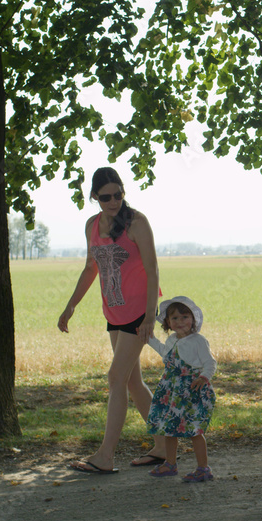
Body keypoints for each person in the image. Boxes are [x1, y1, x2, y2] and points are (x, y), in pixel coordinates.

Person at [59, 166, 165, 473]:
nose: (113, 201)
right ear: (94, 196)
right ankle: (162, 446)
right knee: (132, 382)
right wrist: (70, 306)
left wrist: (149, 316)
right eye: (106, 196)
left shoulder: (137, 223)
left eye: (118, 194)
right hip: (113, 311)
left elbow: (153, 269)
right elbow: (90, 268)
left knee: (116, 378)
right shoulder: (92, 225)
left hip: (138, 313)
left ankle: (105, 456)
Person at [145, 296, 217, 482]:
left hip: (190, 391)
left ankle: (203, 468)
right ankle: (170, 463)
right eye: (174, 318)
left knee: (194, 430)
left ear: (193, 319)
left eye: (184, 317)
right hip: (171, 391)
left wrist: (204, 377)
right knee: (169, 428)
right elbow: (164, 352)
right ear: (168, 322)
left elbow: (210, 362)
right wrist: (148, 338)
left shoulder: (198, 341)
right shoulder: (172, 340)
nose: (180, 322)